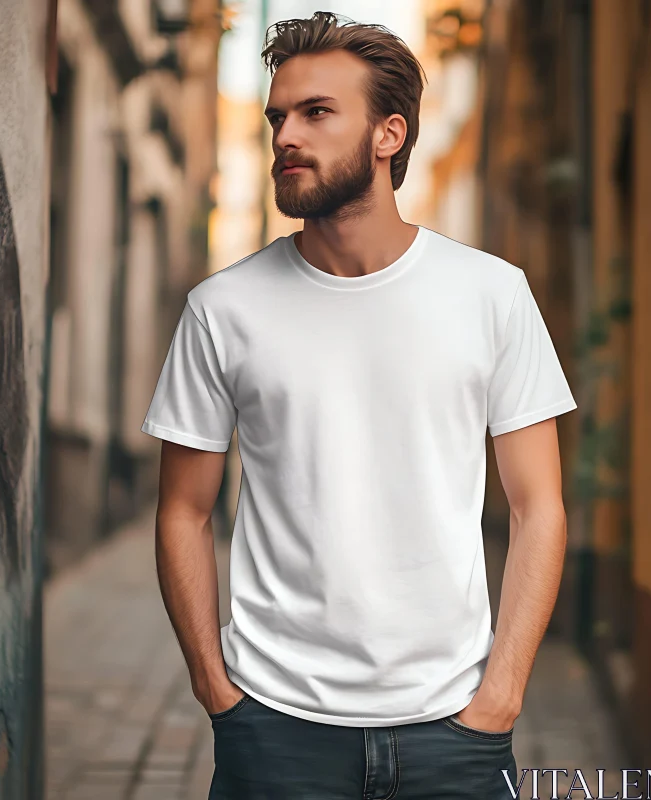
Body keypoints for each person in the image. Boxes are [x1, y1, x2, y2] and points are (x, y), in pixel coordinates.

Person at [141, 10, 577, 799]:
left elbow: (538, 505)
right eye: (278, 116)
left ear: (389, 135)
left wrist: (502, 695)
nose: (284, 137)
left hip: (454, 731)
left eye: (315, 113)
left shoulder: (491, 296)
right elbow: (182, 511)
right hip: (274, 727)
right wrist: (219, 692)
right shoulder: (223, 309)